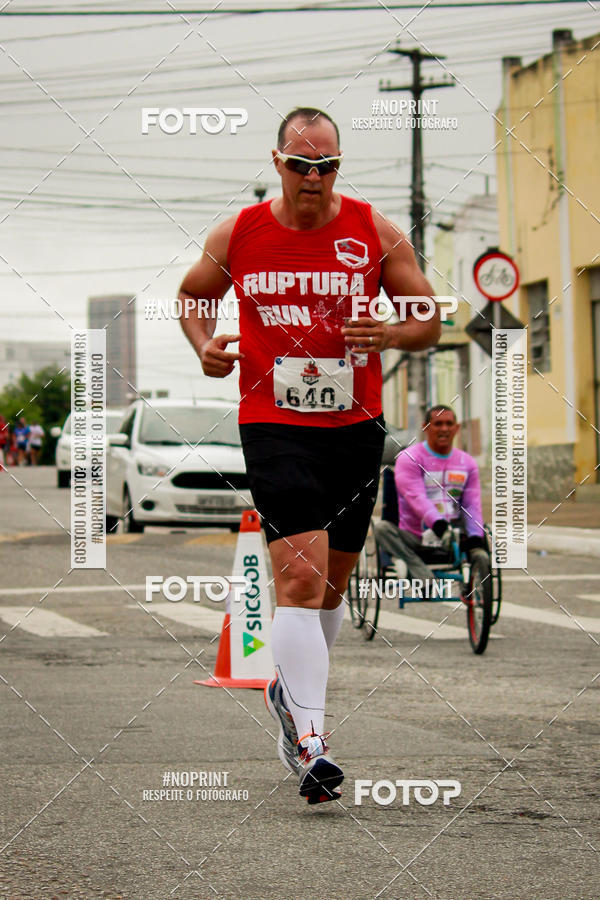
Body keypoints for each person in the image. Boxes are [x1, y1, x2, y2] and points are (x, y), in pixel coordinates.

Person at [179, 107, 440, 804]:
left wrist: (390, 333)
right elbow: (191, 297)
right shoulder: (238, 233)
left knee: (329, 589)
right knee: (298, 577)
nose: (315, 178)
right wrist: (204, 345)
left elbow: (428, 317)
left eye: (327, 165)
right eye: (302, 165)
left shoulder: (375, 231)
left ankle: (289, 704)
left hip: (354, 427)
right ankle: (315, 741)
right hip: (274, 423)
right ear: (277, 164)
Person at [375, 405, 488, 583]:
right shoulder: (409, 458)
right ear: (426, 427)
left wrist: (475, 537)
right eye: (438, 424)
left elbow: (471, 504)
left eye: (449, 424)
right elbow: (416, 497)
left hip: (452, 539)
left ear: (456, 428)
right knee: (382, 529)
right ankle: (421, 573)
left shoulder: (468, 463)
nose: (444, 429)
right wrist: (438, 525)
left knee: (480, 542)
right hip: (415, 537)